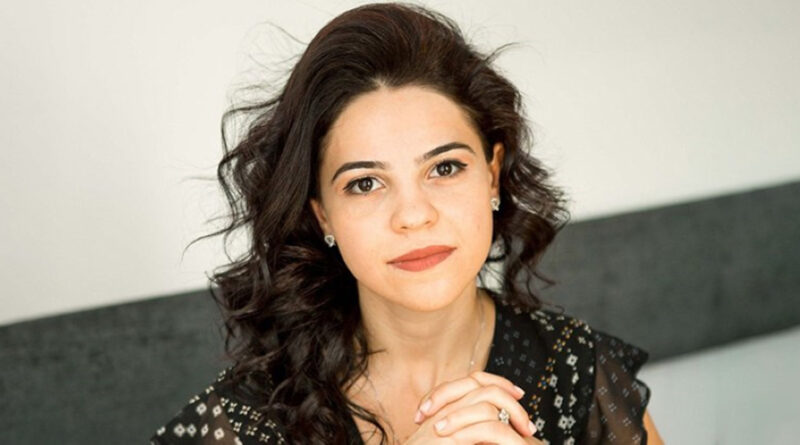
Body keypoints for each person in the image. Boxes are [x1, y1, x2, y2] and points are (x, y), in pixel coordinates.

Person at [150, 3, 663, 444]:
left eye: (445, 168)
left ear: (491, 175)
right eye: (365, 183)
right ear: (321, 212)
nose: (414, 216)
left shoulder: (578, 371)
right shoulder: (246, 421)